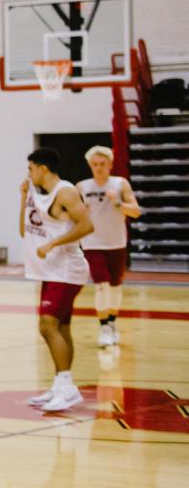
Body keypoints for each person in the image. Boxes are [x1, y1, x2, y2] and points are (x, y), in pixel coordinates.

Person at [21, 148, 95, 412]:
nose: (28, 174)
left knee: (47, 325)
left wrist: (53, 244)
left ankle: (68, 388)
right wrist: (23, 199)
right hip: (51, 270)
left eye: (30, 169)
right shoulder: (39, 196)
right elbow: (23, 230)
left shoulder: (65, 191)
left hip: (66, 269)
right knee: (60, 327)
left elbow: (87, 225)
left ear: (42, 168)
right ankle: (61, 386)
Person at [76, 145, 141, 346]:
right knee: (101, 285)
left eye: (102, 164)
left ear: (110, 165)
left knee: (115, 288)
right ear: (90, 166)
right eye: (94, 165)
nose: (98, 168)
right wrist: (81, 211)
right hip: (92, 242)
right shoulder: (82, 187)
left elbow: (135, 212)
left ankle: (112, 324)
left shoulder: (120, 184)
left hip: (116, 242)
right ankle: (103, 326)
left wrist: (118, 204)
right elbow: (71, 216)